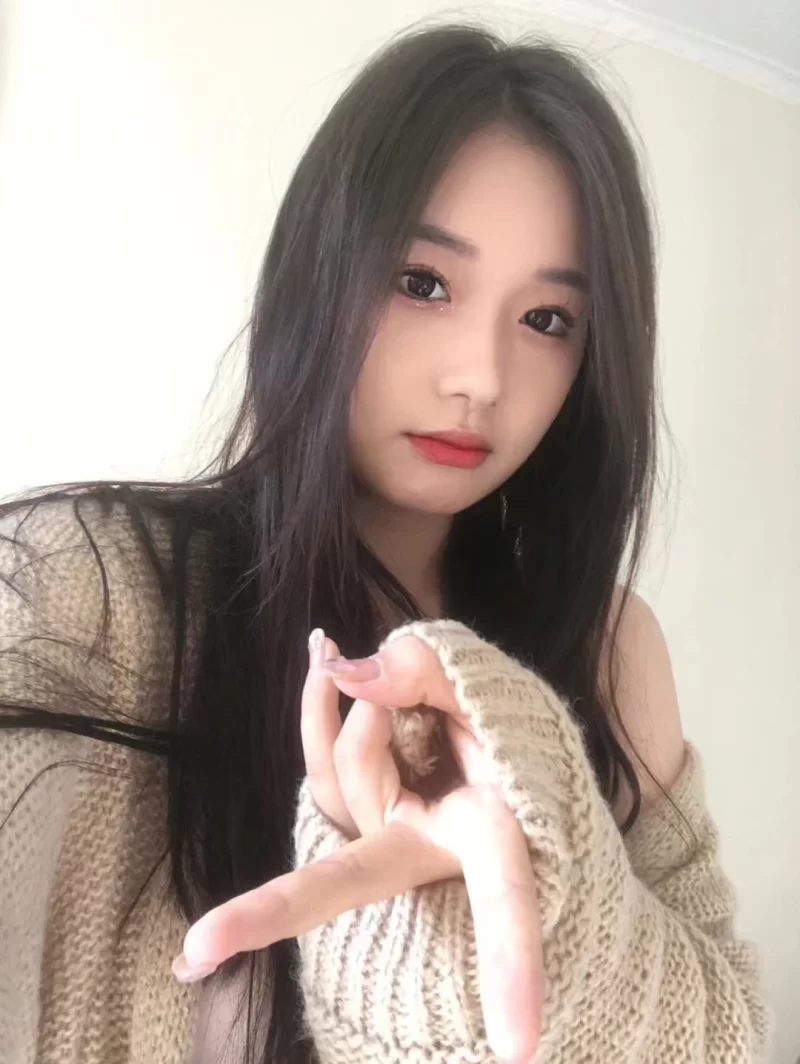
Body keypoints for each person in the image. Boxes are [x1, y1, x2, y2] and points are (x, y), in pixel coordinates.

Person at [0, 20, 772, 1064]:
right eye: (422, 282)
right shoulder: (81, 588)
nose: (480, 377)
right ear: (318, 273)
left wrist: (545, 895)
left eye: (548, 320)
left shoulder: (607, 648)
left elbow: (723, 1032)